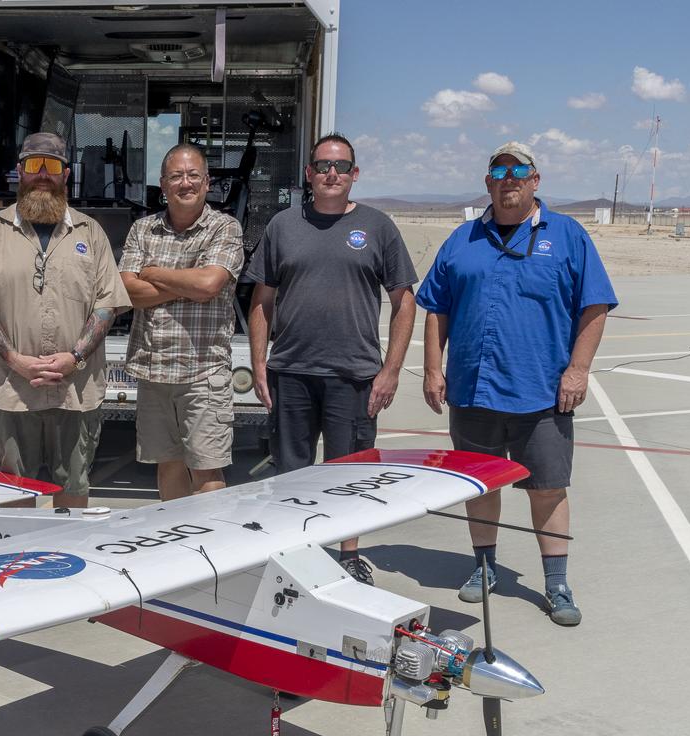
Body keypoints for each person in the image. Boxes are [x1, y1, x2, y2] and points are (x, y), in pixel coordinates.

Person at [417, 141, 617, 626]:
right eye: (499, 170)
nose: (509, 178)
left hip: (542, 394)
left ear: (535, 180)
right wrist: (432, 368)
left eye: (519, 170)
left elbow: (595, 306)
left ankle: (556, 583)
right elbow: (436, 308)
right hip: (474, 391)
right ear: (488, 182)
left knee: (547, 489)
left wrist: (578, 369)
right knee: (481, 485)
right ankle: (483, 567)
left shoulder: (568, 236)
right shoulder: (462, 240)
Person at [248, 133, 418, 584]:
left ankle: (348, 555)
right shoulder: (283, 226)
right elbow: (262, 300)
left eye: (341, 167)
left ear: (354, 174)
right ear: (309, 173)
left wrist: (391, 370)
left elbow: (404, 301)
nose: (331, 174)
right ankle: (294, 550)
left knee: (351, 474)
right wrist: (260, 364)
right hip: (292, 372)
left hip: (355, 374)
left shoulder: (378, 227)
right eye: (323, 165)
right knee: (291, 475)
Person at [0, 132, 130, 509]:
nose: (43, 175)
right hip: (12, 391)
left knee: (74, 491)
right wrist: (15, 360)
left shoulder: (91, 234)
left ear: (67, 175)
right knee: (15, 493)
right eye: (35, 166)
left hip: (75, 391)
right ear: (20, 172)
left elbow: (107, 305)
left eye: (53, 167)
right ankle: (17, 565)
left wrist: (75, 356)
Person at [119, 144, 245, 500]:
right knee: (168, 464)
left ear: (207, 183)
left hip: (202, 374)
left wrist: (154, 273)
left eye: (193, 176)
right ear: (163, 184)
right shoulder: (143, 230)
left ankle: (214, 552)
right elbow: (128, 292)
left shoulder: (224, 228)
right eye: (176, 176)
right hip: (154, 372)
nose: (185, 183)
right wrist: (187, 283)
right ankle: (177, 545)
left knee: (206, 469)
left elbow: (209, 286)